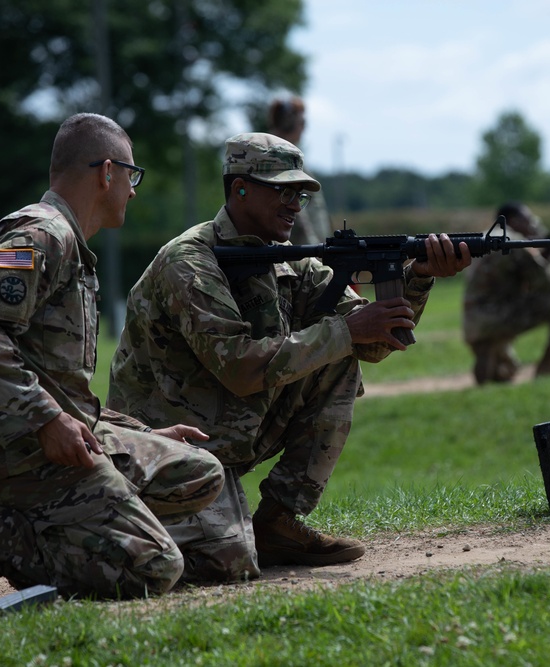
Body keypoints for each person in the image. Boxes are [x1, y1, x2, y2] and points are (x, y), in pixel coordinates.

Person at [106, 132, 471, 580]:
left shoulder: (292, 261)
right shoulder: (190, 262)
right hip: (169, 447)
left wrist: (419, 277)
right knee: (229, 564)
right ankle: (138, 512)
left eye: (300, 192)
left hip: (233, 432)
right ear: (239, 188)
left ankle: (278, 521)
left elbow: (372, 342)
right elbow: (239, 367)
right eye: (282, 190)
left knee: (341, 352)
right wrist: (345, 330)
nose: (295, 203)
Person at [0, 113, 226, 602]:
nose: (134, 189)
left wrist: (138, 434)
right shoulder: (42, 236)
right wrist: (43, 421)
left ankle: (76, 529)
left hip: (48, 442)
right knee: (154, 567)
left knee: (197, 470)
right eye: (132, 174)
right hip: (9, 457)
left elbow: (59, 383)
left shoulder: (69, 244)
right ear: (107, 172)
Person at [462, 202, 550, 384]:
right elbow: (547, 282)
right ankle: (546, 365)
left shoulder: (487, 236)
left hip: (473, 321)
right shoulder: (514, 242)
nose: (532, 223)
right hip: (498, 318)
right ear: (514, 221)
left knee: (505, 373)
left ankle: (494, 350)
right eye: (527, 219)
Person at [267, 95, 333, 245]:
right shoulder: (283, 161)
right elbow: (301, 220)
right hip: (302, 256)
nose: (304, 128)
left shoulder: (280, 157)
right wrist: (316, 255)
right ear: (289, 123)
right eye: (302, 122)